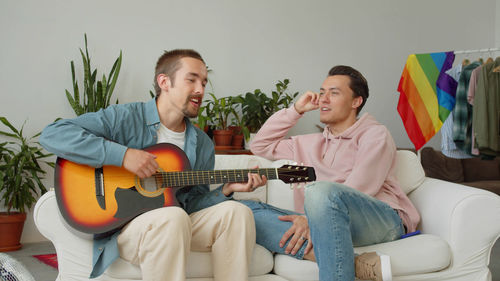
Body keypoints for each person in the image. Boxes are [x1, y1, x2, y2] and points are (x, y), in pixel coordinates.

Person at [40, 49, 267, 281]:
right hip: (127, 228)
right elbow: (53, 134)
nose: (200, 90)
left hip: (176, 223)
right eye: (192, 80)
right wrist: (123, 156)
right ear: (164, 82)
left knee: (237, 212)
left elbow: (192, 204)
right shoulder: (126, 117)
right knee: (173, 217)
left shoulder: (202, 144)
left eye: (204, 82)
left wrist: (227, 190)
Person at [242, 65, 420, 281]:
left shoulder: (375, 134)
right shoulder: (309, 143)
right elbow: (259, 145)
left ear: (356, 102)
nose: (323, 99)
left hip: (380, 219)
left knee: (319, 191)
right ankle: (356, 263)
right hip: (325, 221)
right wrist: (295, 110)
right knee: (243, 212)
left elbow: (361, 185)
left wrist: (309, 219)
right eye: (322, 92)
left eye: (334, 93)